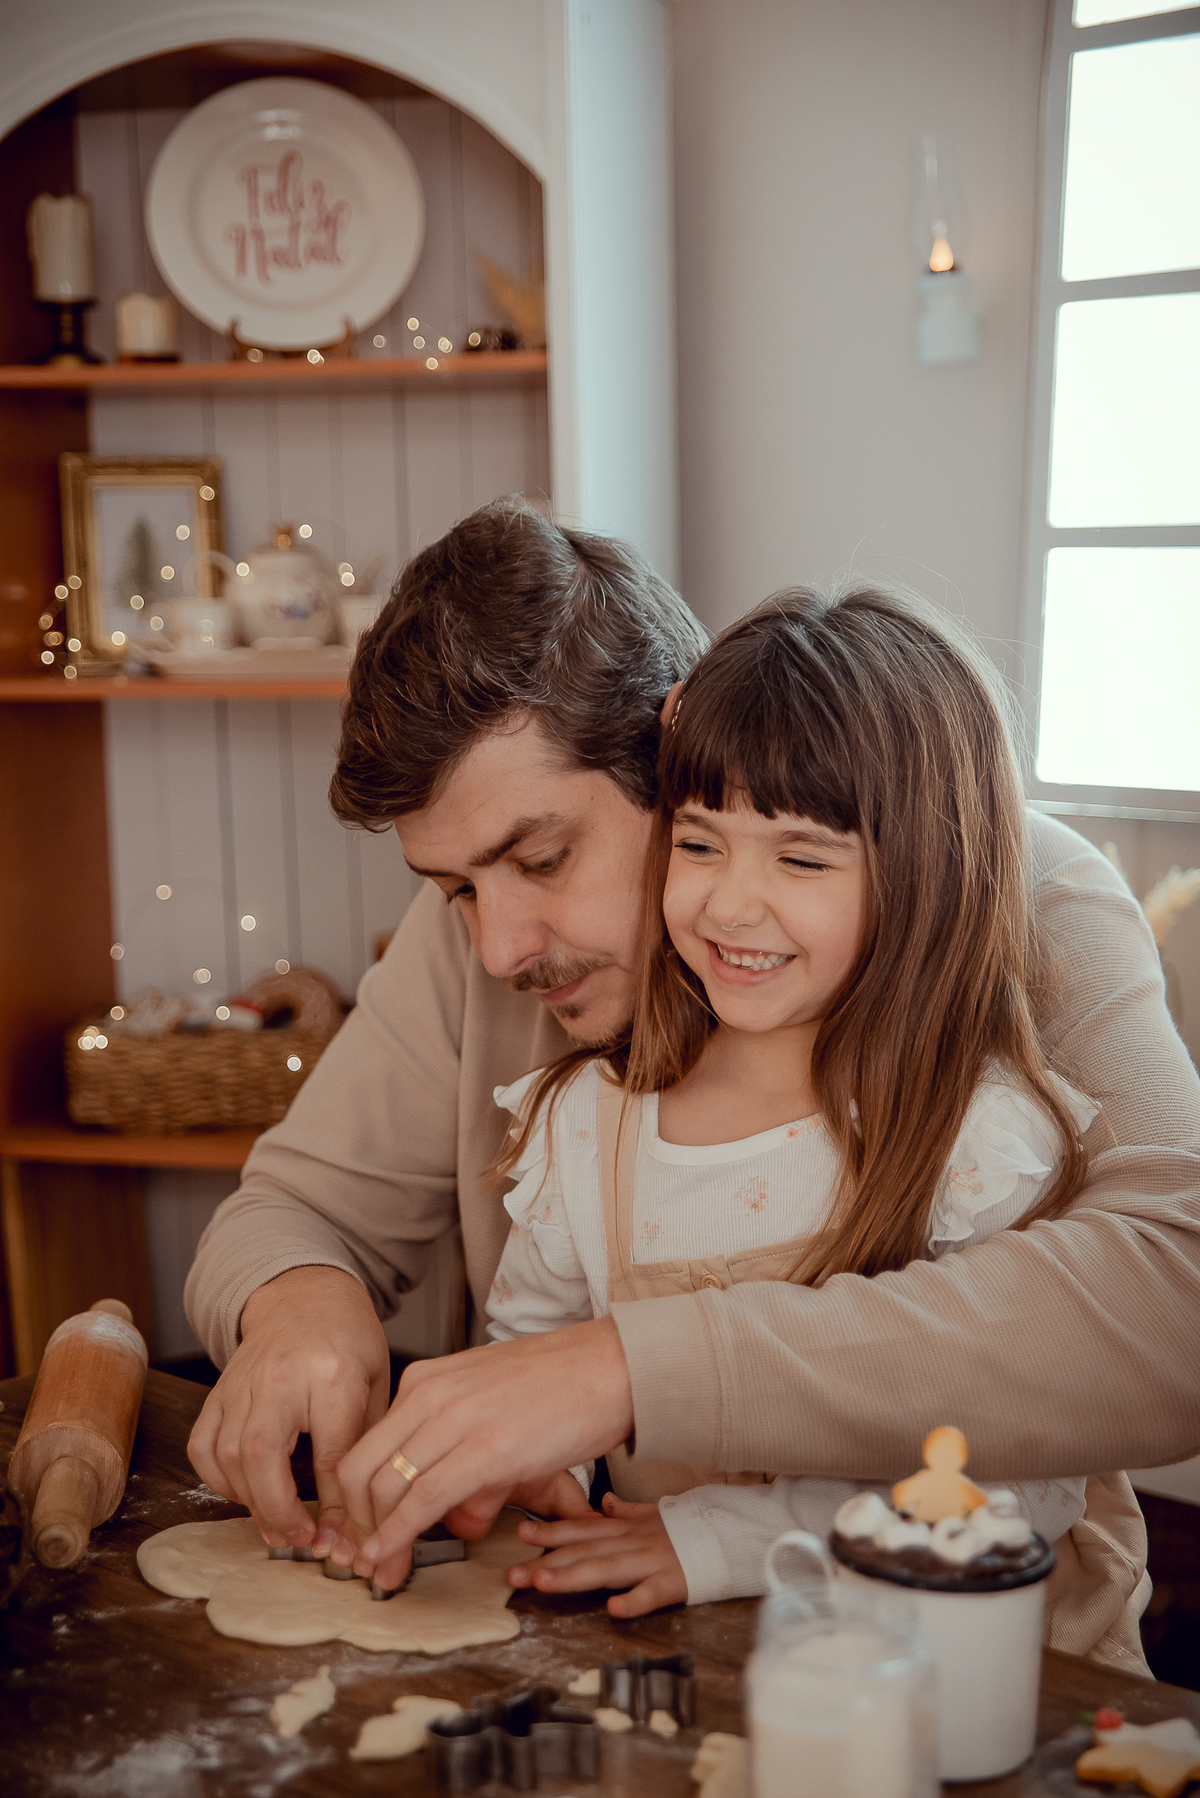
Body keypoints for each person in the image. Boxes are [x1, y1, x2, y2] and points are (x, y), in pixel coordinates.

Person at [184, 502, 1200, 1679]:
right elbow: (286, 1210)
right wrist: (300, 1301)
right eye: (455, 887)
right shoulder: (490, 930)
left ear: (677, 756)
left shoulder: (1003, 886)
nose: (501, 947)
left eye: (543, 857)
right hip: (651, 1662)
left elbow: (1176, 1306)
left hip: (985, 1680)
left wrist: (624, 1368)